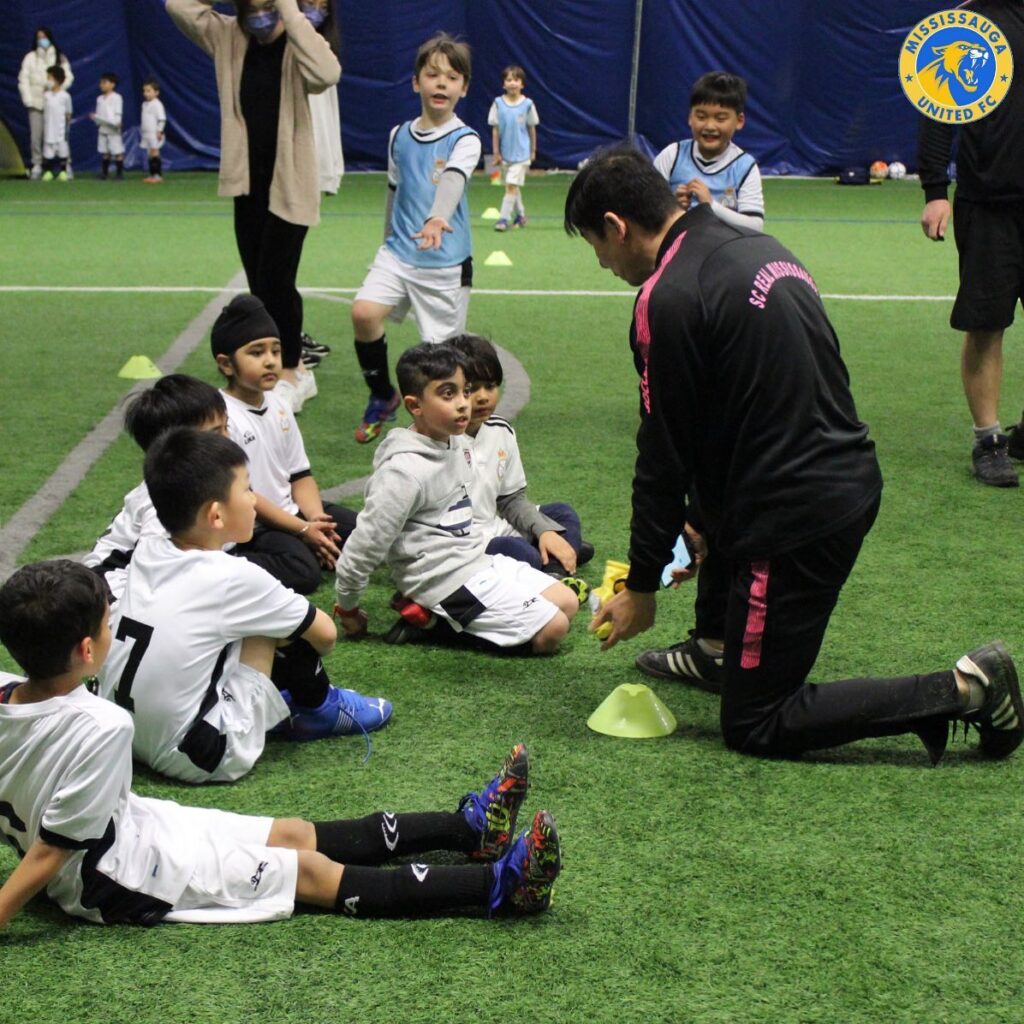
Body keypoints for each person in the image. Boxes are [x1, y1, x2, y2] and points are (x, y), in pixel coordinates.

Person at [566, 144, 1024, 764]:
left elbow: (662, 456)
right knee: (720, 512)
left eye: (596, 246)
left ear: (616, 227)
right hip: (845, 476)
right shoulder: (759, 247)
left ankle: (970, 687)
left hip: (793, 523)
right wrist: (700, 523)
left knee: (755, 722)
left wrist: (642, 586)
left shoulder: (665, 297)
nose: (602, 263)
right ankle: (717, 648)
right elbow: (742, 409)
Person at [0, 561, 562, 928]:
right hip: (112, 874)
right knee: (311, 873)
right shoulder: (101, 726)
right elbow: (51, 852)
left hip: (126, 826)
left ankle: (467, 829)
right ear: (86, 649)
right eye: (107, 623)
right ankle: (501, 887)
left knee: (294, 834)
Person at [95, 427, 391, 784]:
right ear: (216, 516)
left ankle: (285, 700)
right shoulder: (236, 577)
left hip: (123, 734)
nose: (255, 500)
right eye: (248, 489)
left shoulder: (148, 547)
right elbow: (326, 635)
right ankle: (319, 707)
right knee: (274, 621)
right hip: (203, 755)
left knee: (226, 624)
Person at [334, 343, 579, 653]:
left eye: (465, 391)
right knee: (553, 631)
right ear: (415, 405)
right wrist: (348, 608)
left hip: (475, 560)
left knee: (567, 602)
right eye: (448, 394)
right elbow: (365, 545)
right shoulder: (403, 473)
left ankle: (437, 621)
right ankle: (433, 626)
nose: (465, 403)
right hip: (438, 580)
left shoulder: (459, 443)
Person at [166, 0, 339, 412]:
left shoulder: (299, 42)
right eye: (254, 5)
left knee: (278, 280)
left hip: (291, 182)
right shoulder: (228, 34)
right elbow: (178, 6)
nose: (261, 13)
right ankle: (270, 365)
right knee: (260, 283)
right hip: (248, 184)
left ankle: (294, 371)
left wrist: (286, 9)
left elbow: (328, 72)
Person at [349, 33, 482, 444]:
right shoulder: (398, 135)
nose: (441, 83)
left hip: (444, 262)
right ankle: (382, 396)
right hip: (398, 252)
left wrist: (438, 217)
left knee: (442, 361)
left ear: (464, 88)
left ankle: (457, 429)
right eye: (432, 74)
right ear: (415, 82)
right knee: (364, 314)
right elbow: (394, 188)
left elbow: (453, 179)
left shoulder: (466, 139)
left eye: (452, 77)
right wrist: (387, 240)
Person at [918, 1, 1024, 487]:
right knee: (986, 323)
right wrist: (936, 191)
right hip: (988, 203)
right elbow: (938, 111)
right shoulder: (966, 22)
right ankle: (989, 440)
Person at [212, 294, 358, 592]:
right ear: (227, 364)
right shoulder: (220, 416)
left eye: (275, 350)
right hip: (253, 523)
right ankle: (223, 562)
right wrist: (303, 530)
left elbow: (300, 475)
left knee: (362, 531)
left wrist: (318, 520)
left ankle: (307, 542)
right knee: (303, 572)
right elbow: (245, 494)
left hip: (290, 510)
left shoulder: (279, 403)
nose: (270, 360)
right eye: (256, 352)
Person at [449, 333, 593, 580]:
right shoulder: (440, 439)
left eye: (491, 386)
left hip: (495, 527)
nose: (484, 396)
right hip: (463, 547)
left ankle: (554, 568)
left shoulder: (500, 431)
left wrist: (544, 530)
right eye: (472, 388)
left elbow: (511, 500)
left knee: (561, 513)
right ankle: (560, 562)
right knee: (518, 551)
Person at [83, 374, 229, 606]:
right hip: (112, 593)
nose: (228, 440)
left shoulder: (201, 481)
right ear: (171, 448)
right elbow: (152, 569)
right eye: (214, 434)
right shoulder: (166, 500)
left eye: (226, 427)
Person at [653, 71, 764, 232]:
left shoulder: (745, 167)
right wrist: (673, 208)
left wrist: (711, 205)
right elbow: (644, 211)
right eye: (701, 116)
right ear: (690, 117)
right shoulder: (671, 156)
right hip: (676, 249)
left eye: (720, 118)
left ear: (739, 121)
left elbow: (755, 226)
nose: (710, 126)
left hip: (724, 250)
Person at [18, 26, 73, 181]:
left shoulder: (59, 57)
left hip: (55, 105)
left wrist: (57, 89)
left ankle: (66, 165)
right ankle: (37, 165)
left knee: (61, 136)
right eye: (39, 37)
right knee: (36, 136)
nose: (42, 40)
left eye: (44, 36)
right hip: (36, 103)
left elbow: (68, 77)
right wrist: (28, 99)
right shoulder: (30, 57)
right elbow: (23, 80)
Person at [488, 65, 538, 232]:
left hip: (522, 154)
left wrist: (532, 151)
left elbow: (532, 129)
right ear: (503, 84)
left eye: (516, 80)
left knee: (510, 184)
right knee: (512, 186)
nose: (512, 83)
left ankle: (503, 219)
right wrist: (496, 153)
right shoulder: (497, 104)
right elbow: (495, 130)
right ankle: (521, 215)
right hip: (505, 155)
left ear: (522, 84)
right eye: (509, 80)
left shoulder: (528, 104)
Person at [89, 72, 124, 181]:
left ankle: (119, 173)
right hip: (103, 128)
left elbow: (118, 112)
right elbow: (99, 114)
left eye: (105, 82)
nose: (102, 85)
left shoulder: (117, 97)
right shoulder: (99, 99)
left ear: (112, 84)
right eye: (101, 83)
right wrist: (95, 118)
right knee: (105, 152)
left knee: (117, 151)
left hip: (113, 129)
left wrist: (118, 122)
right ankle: (104, 173)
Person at [40, 66, 72, 183]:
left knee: (62, 150)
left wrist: (65, 127)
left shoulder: (65, 96)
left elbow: (68, 113)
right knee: (48, 150)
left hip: (61, 129)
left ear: (57, 80)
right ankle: (48, 172)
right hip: (49, 128)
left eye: (50, 78)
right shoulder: (46, 96)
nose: (48, 80)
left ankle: (63, 172)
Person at [140, 77, 167, 184]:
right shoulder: (144, 104)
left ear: (156, 92)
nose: (146, 93)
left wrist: (159, 131)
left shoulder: (157, 104)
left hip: (154, 134)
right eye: (144, 91)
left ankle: (157, 175)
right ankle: (152, 175)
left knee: (155, 152)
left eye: (149, 91)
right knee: (150, 154)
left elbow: (162, 119)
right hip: (146, 133)